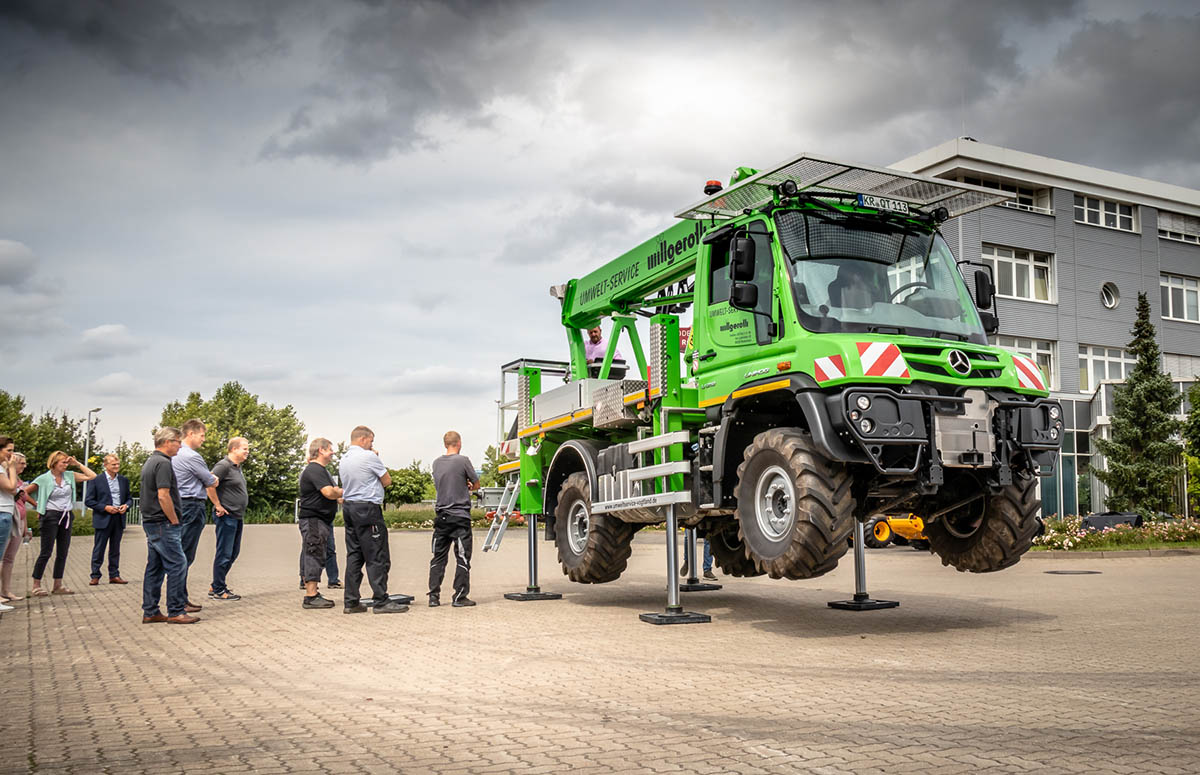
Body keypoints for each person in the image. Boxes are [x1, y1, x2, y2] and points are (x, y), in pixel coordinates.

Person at [338, 425, 406, 614]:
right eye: (371, 441)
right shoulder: (369, 457)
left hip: (349, 508)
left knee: (354, 555)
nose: (372, 444)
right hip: (368, 509)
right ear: (363, 439)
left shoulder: (344, 459)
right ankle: (381, 600)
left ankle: (351, 601)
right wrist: (375, 456)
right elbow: (387, 480)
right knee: (377, 555)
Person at [141, 427, 197, 624]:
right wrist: (174, 520)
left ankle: (150, 610)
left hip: (151, 522)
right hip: (163, 523)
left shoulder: (150, 461)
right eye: (177, 442)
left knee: (155, 567)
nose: (180, 446)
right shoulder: (163, 463)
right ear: (167, 442)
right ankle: (175, 611)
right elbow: (163, 495)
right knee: (177, 564)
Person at [25, 450, 97, 596]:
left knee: (63, 552)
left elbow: (92, 476)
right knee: (46, 551)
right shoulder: (44, 478)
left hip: (66, 516)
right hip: (50, 515)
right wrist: (38, 505)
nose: (65, 465)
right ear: (54, 463)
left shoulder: (69, 476)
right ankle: (36, 585)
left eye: (66, 462)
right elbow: (23, 492)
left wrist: (76, 464)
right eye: (62, 462)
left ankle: (57, 585)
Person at [428, 430, 480, 607]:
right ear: (459, 443)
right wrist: (468, 485)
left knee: (438, 557)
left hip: (441, 516)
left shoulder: (436, 463)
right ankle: (459, 597)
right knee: (463, 558)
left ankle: (433, 597)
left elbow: (441, 484)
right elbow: (476, 484)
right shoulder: (463, 460)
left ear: (445, 444)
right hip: (460, 517)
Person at [172, 419, 216, 611]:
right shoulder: (192, 456)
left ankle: (181, 596)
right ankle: (178, 600)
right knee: (185, 555)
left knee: (181, 553)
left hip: (180, 504)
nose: (203, 440)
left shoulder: (175, 454)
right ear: (190, 434)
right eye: (202, 435)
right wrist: (214, 478)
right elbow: (210, 481)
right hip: (191, 505)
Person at [298, 438, 343, 610]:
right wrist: (339, 491)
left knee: (319, 554)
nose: (332, 452)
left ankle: (314, 592)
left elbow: (336, 495)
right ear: (321, 450)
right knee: (314, 552)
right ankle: (310, 596)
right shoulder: (314, 469)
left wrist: (338, 493)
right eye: (330, 449)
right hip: (313, 520)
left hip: (321, 520)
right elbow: (329, 492)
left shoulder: (322, 471)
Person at [208, 437, 249, 601]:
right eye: (244, 448)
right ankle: (218, 589)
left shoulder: (237, 468)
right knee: (224, 553)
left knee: (233, 552)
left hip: (237, 516)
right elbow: (209, 484)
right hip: (226, 516)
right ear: (233, 449)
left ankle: (216, 584)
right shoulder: (223, 466)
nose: (247, 451)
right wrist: (218, 505)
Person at [85, 454, 131, 585]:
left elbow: (129, 498)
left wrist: (126, 506)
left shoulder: (123, 480)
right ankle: (95, 575)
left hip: (119, 518)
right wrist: (105, 507)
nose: (116, 467)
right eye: (113, 465)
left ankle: (114, 575)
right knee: (99, 548)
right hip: (103, 518)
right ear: (105, 465)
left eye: (118, 464)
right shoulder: (96, 480)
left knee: (115, 548)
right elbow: (89, 501)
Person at [1, 452, 33, 603]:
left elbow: (23, 504)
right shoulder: (6, 478)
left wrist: (25, 526)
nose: (24, 466)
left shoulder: (19, 480)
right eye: (22, 463)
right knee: (1, 556)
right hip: (7, 517)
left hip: (18, 519)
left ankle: (6, 590)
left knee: (10, 558)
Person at [0, 438, 19, 611]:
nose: (11, 455)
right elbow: (12, 487)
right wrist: (12, 468)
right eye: (8, 450)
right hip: (2, 512)